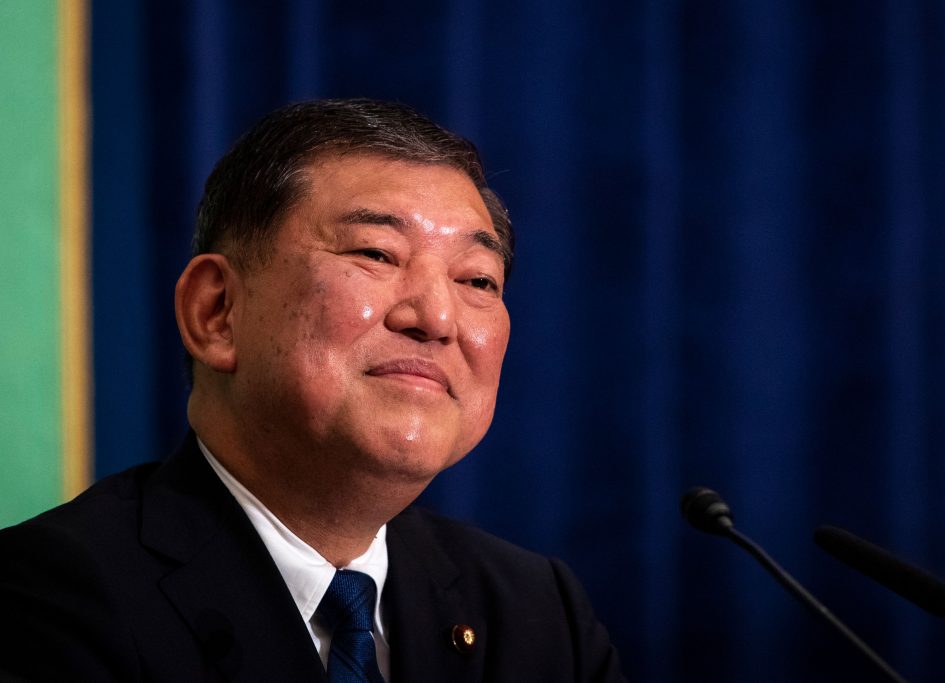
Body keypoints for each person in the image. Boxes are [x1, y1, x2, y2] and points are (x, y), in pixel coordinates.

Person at [0, 99, 625, 682]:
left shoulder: (538, 614)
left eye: (478, 280)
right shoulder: (47, 599)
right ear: (216, 312)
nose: (436, 318)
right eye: (377, 254)